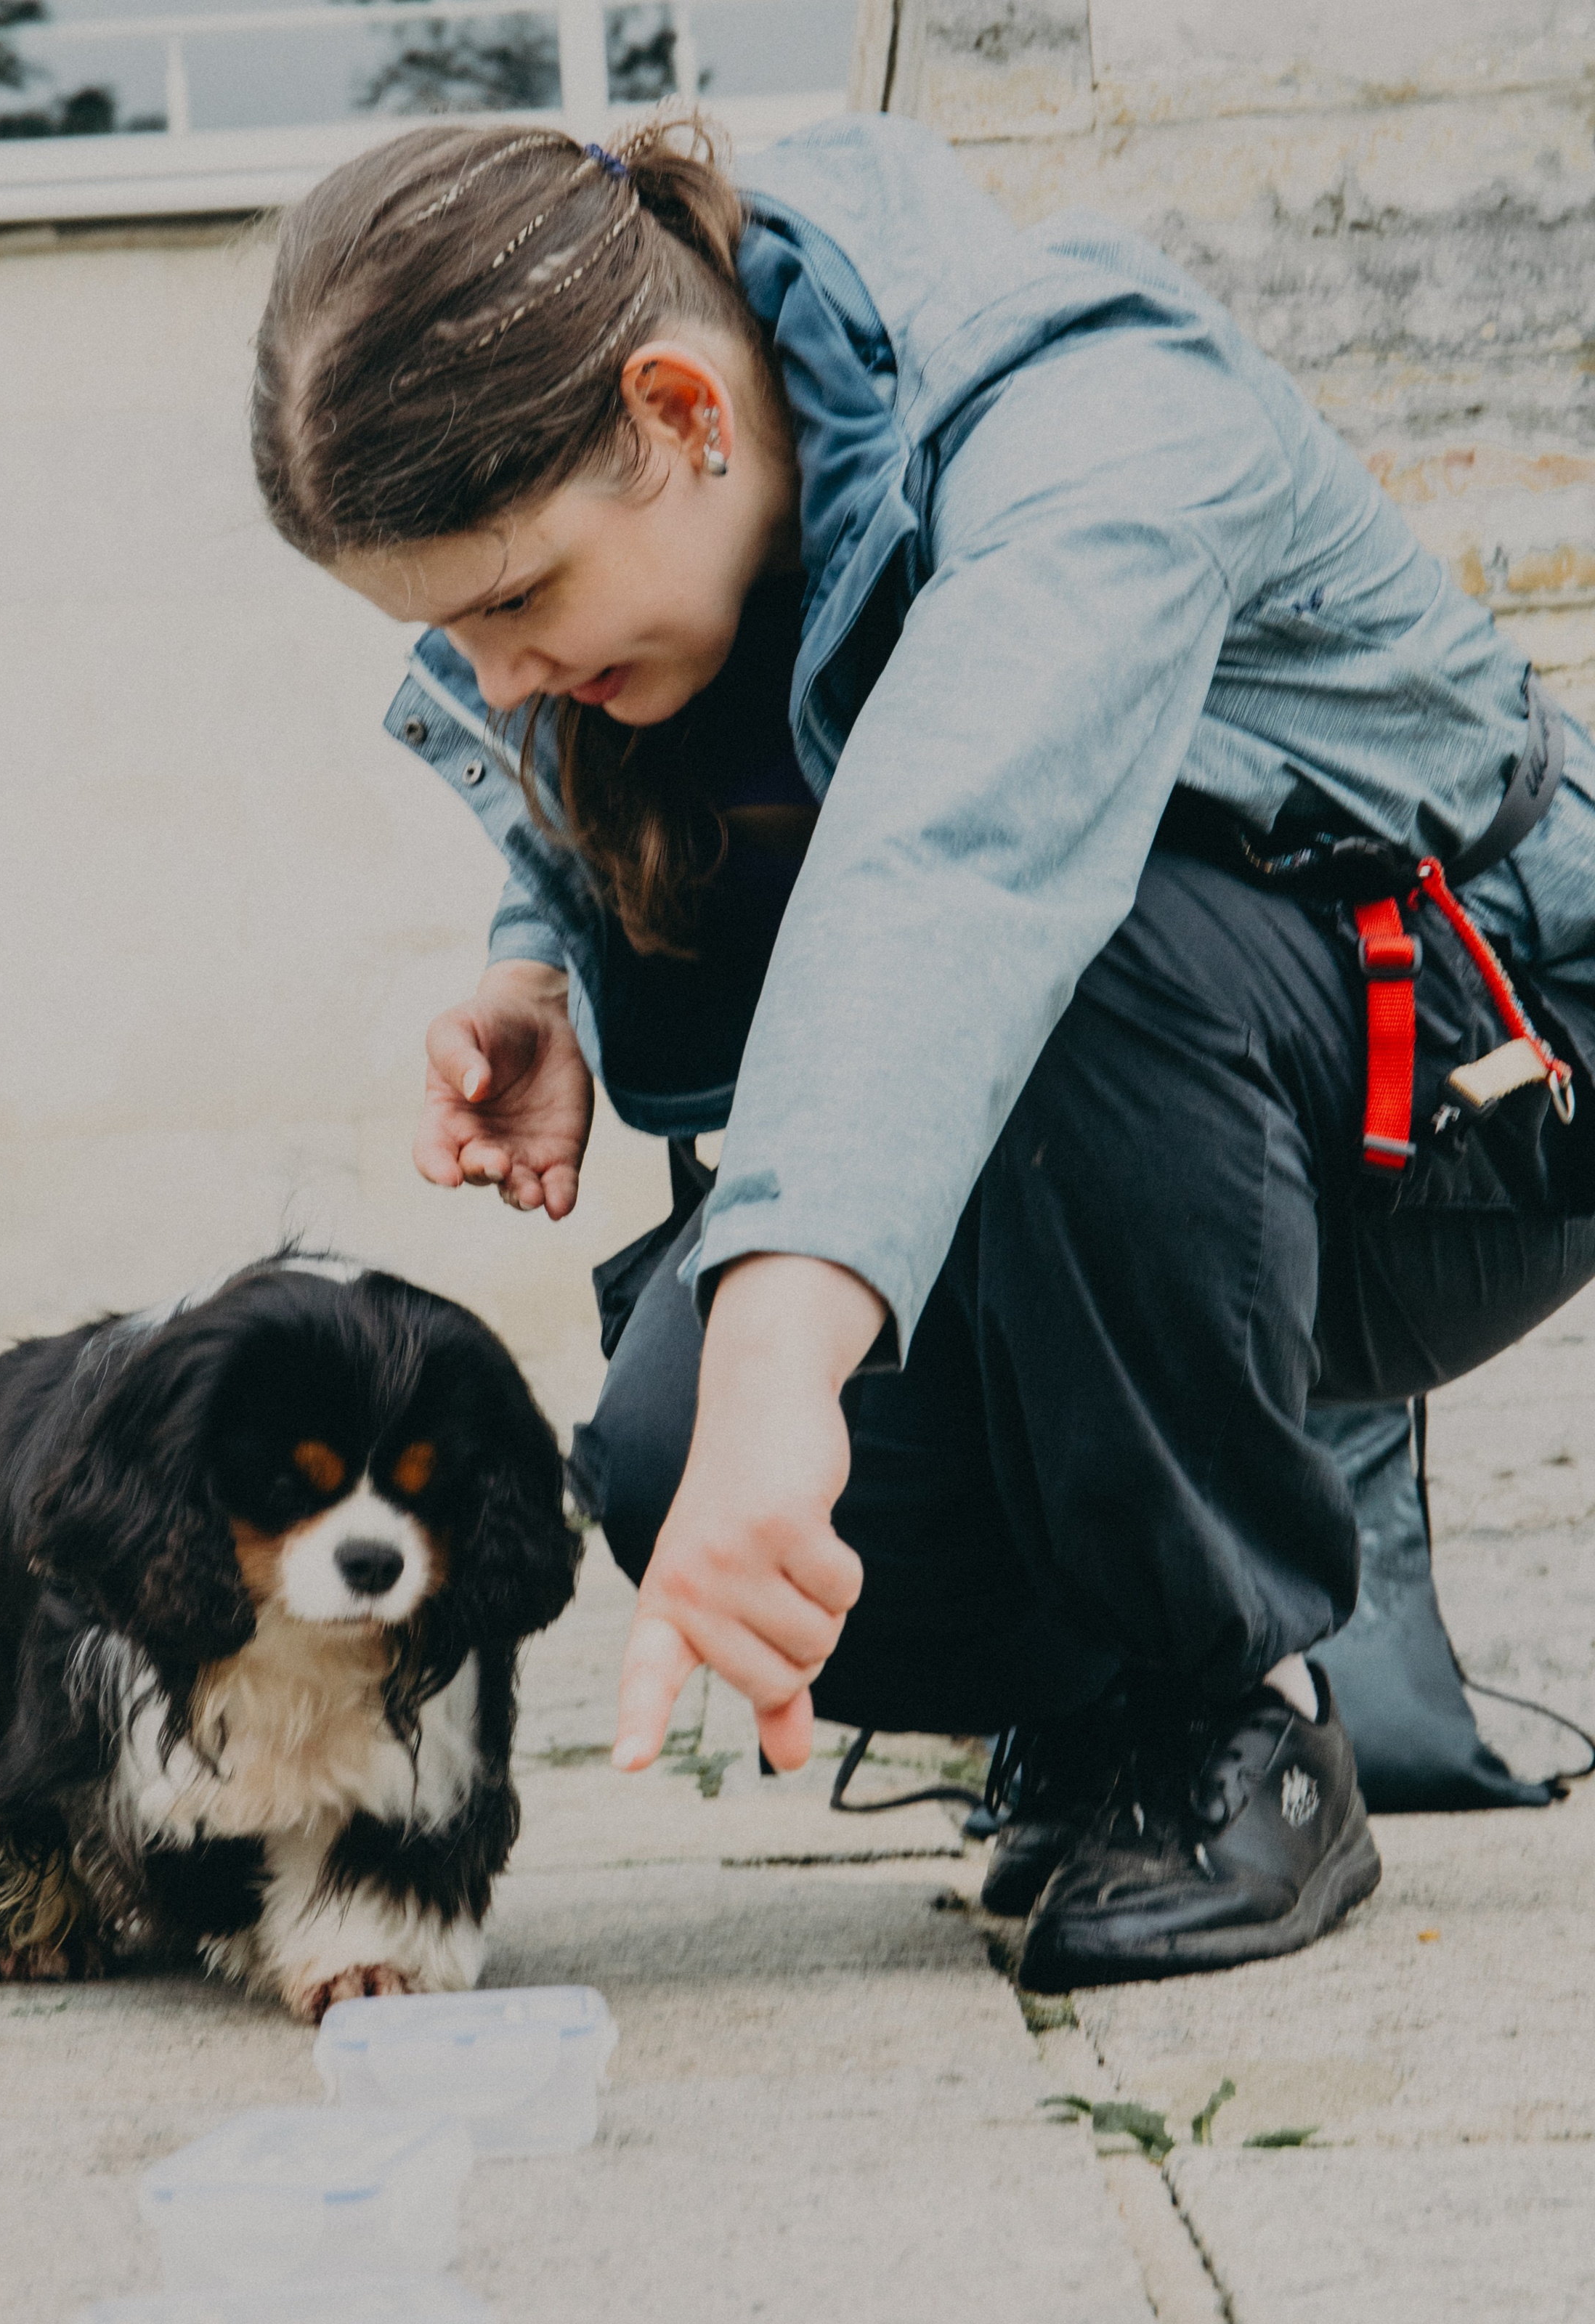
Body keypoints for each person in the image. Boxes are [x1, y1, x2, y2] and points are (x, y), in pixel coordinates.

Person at [248, 110, 1595, 1990]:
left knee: (1073, 967)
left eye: (515, 600)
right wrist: (538, 963)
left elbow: (970, 862)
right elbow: (692, 765)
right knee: (670, 1453)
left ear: (678, 413)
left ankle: (1235, 1725)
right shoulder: (706, 469)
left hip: (1468, 1110)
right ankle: (1096, 1715)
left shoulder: (1093, 417)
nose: (498, 678)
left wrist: (782, 1366)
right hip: (1123, 1152)